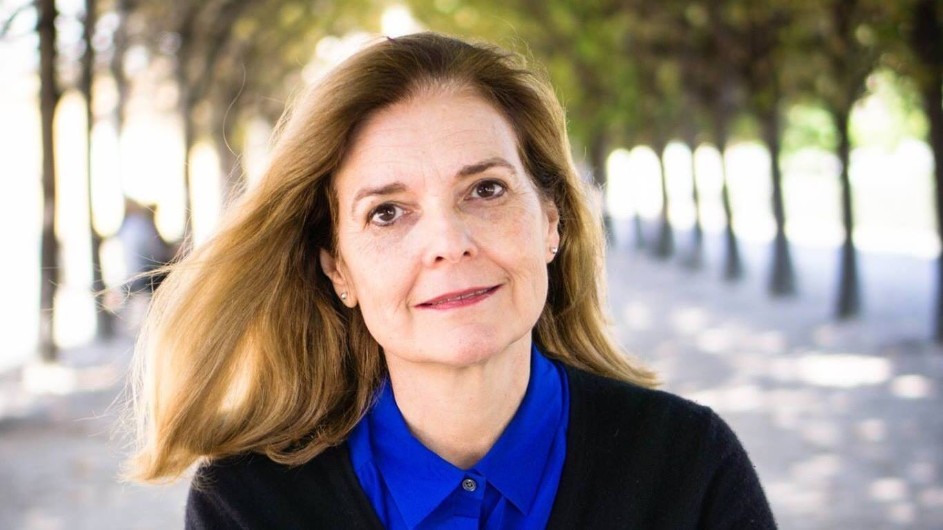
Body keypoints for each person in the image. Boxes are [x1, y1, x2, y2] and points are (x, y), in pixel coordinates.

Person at [125, 33, 776, 529]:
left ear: (550, 222)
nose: (447, 244)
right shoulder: (248, 503)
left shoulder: (689, 465)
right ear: (338, 268)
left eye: (485, 189)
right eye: (387, 212)